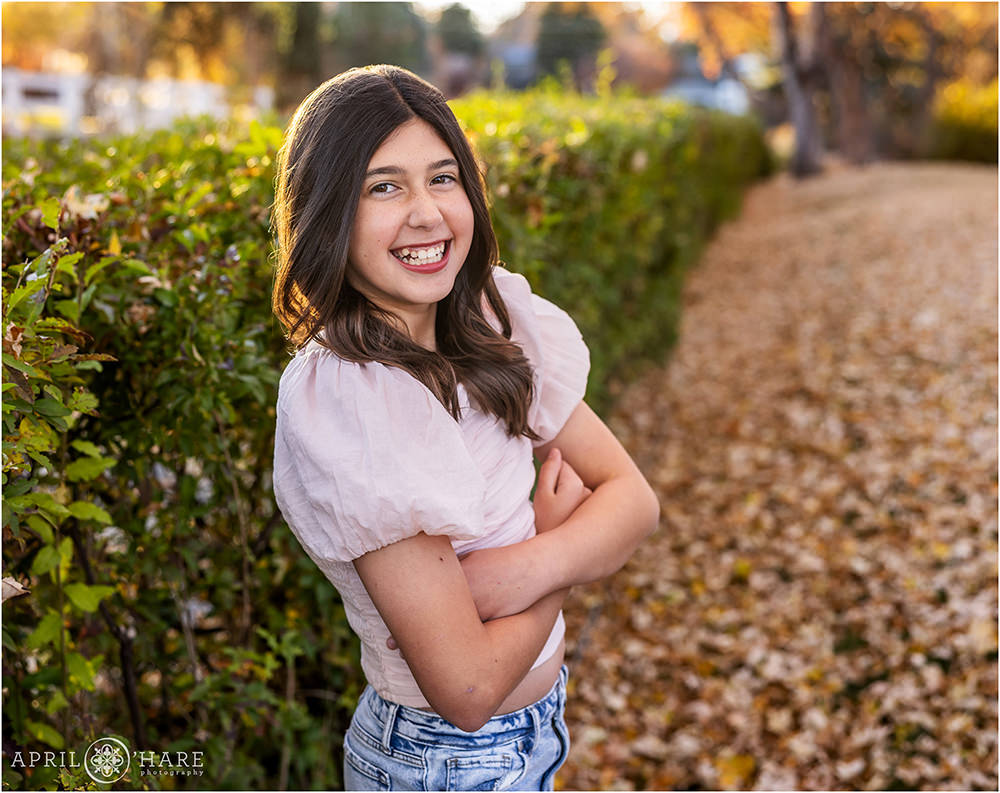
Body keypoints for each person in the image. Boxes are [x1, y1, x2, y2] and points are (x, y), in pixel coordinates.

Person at [270, 64, 659, 791]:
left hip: (540, 726)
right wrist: (562, 548)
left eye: (442, 177)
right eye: (383, 186)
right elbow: (469, 688)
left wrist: (527, 564)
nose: (426, 212)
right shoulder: (353, 398)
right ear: (328, 213)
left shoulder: (488, 320)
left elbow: (634, 501)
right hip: (439, 760)